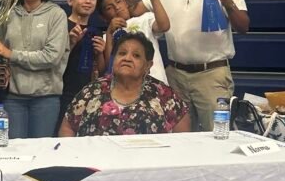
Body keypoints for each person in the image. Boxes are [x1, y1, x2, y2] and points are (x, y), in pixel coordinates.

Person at [123, 0, 250, 131]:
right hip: (176, 76)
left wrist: (229, 3)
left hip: (212, 75)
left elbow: (243, 27)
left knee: (217, 135)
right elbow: (132, 10)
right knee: (177, 137)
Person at [0, 0, 69, 138]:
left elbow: (51, 57)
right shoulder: (7, 13)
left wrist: (11, 55)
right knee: (14, 152)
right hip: (13, 99)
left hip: (46, 98)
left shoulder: (57, 15)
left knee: (40, 152)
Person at [59, 32, 190, 137]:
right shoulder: (92, 90)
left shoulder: (164, 94)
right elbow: (68, 127)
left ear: (148, 65)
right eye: (122, 53)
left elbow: (183, 137)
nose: (127, 58)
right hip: (97, 166)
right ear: (113, 59)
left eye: (136, 55)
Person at [99, 0, 170, 83]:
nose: (116, 7)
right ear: (103, 17)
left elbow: (164, 26)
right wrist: (109, 32)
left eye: (118, 1)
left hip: (155, 83)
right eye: (109, 8)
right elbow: (109, 66)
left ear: (125, 3)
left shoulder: (144, 19)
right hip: (125, 89)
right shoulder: (107, 36)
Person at [59, 0, 106, 122]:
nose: (87, 1)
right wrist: (70, 42)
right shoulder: (60, 26)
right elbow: (54, 61)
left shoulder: (96, 31)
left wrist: (99, 54)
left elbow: (102, 71)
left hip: (87, 93)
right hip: (62, 92)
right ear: (70, 0)